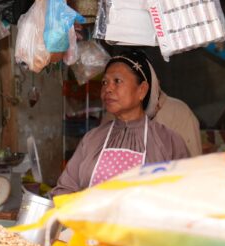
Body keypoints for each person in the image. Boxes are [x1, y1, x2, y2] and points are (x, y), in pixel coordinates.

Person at [52, 50, 190, 197]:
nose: (108, 89)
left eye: (117, 81)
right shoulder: (92, 139)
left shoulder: (168, 141)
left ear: (142, 90)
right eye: (105, 82)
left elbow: (188, 195)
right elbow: (64, 190)